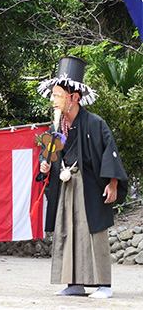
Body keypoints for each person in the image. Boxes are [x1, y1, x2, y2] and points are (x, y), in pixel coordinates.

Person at [37, 56, 128, 299]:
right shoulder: (56, 127)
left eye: (57, 95)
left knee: (93, 232)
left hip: (91, 184)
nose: (53, 101)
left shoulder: (96, 123)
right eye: (53, 95)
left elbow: (110, 152)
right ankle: (74, 283)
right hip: (67, 185)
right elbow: (46, 156)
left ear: (74, 97)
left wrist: (113, 182)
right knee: (67, 231)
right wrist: (44, 165)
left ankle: (104, 284)